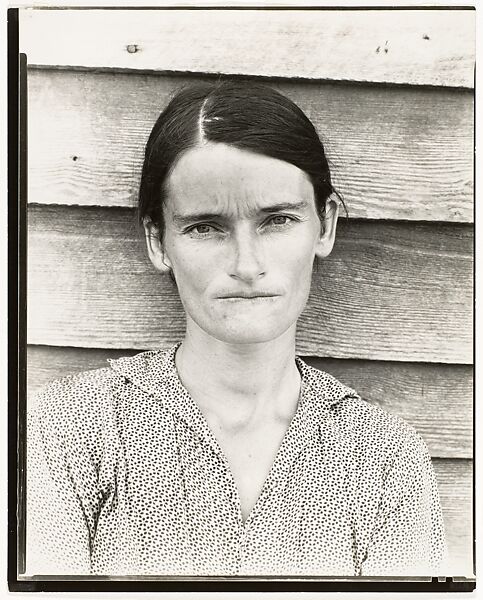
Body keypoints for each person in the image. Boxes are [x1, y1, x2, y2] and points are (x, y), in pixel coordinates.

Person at [26, 81, 446, 577]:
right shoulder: (65, 431)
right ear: (158, 241)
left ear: (325, 226)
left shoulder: (385, 459)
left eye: (278, 220)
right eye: (205, 227)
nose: (247, 265)